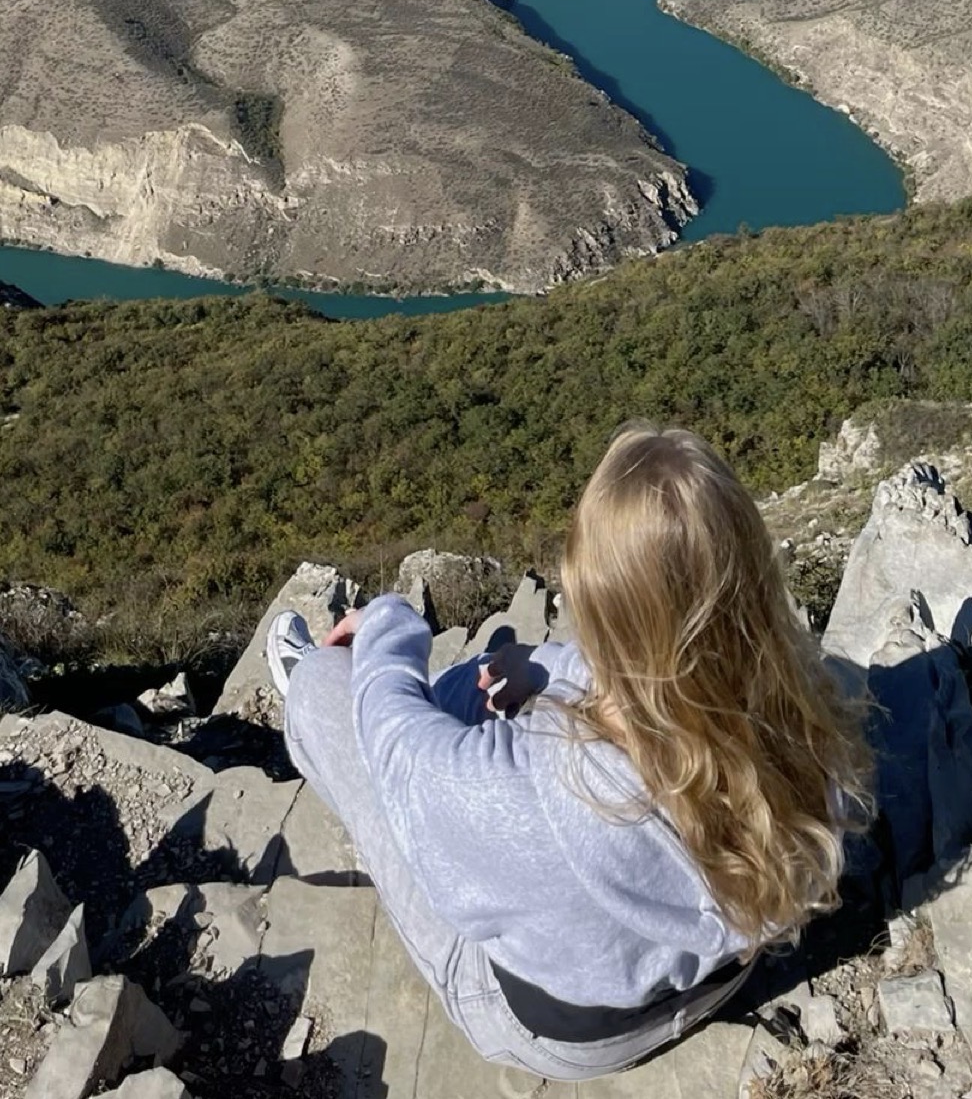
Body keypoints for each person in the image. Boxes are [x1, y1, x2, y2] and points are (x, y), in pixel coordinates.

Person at [266, 423, 873, 1083]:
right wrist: (549, 669)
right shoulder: (805, 710)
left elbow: (397, 750)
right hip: (720, 977)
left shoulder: (533, 784)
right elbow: (664, 686)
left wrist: (388, 624)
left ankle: (302, 675)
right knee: (504, 671)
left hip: (559, 1033)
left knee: (328, 691)